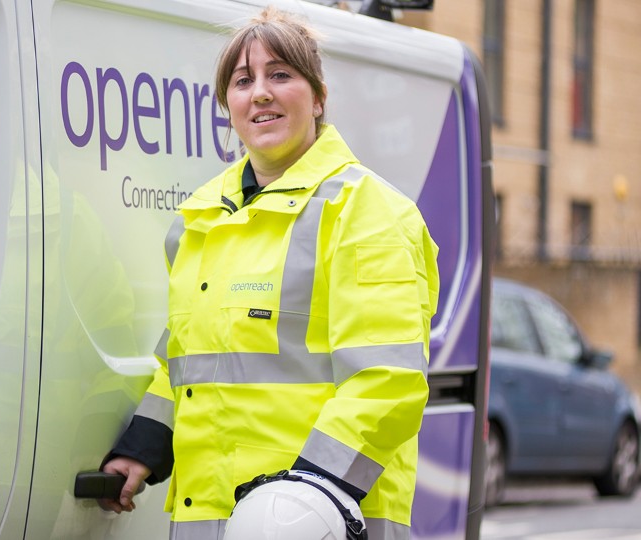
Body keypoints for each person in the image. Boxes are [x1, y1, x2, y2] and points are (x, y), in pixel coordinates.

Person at [99, 7, 439, 540]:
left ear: (318, 97)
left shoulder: (368, 212)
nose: (260, 93)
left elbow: (387, 380)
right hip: (208, 515)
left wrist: (309, 493)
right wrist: (143, 447)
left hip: (326, 519)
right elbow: (186, 363)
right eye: (242, 81)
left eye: (280, 75)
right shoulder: (201, 217)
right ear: (228, 106)